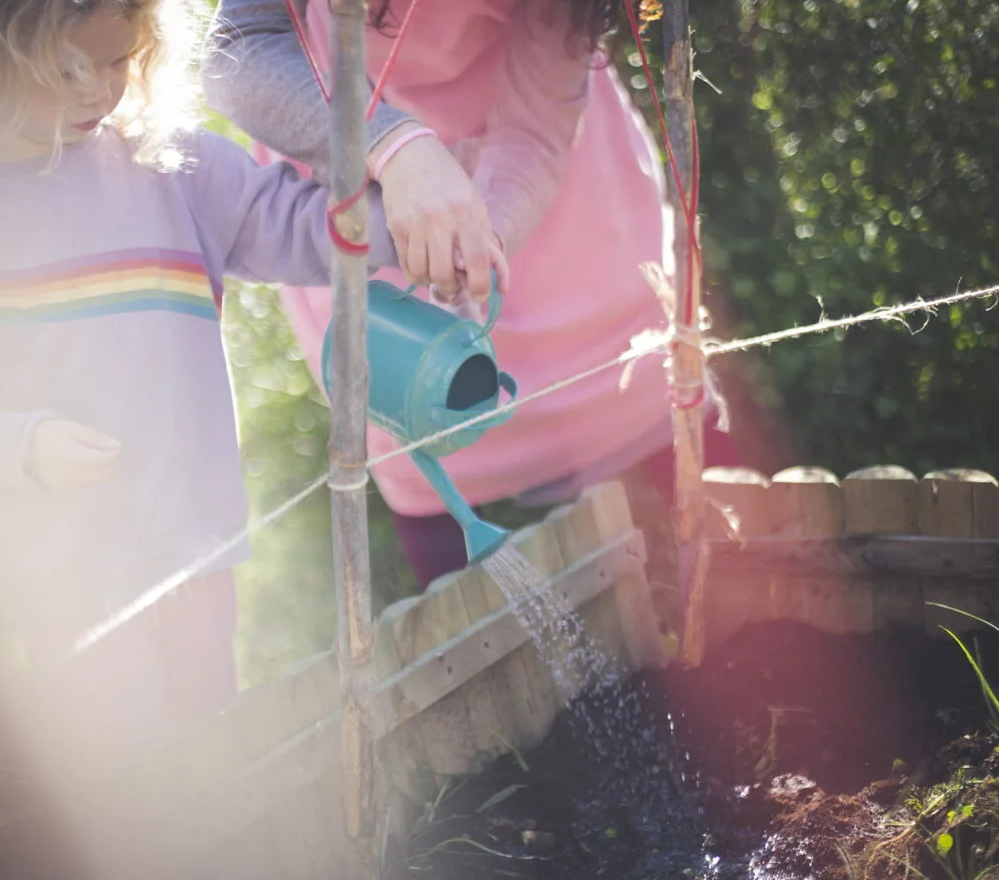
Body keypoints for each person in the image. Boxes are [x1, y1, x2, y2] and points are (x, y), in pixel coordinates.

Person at [0, 0, 398, 760]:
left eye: (119, 61)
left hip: (193, 554)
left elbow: (300, 225)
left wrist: (406, 219)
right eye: (65, 70)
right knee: (124, 775)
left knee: (215, 753)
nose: (98, 90)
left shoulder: (169, 166)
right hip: (67, 578)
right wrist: (23, 444)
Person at [203, 0, 739, 590]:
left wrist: (479, 243)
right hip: (349, 147)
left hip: (542, 185)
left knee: (644, 390)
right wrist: (396, 150)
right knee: (420, 420)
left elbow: (533, 136)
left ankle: (746, 616)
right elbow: (239, 49)